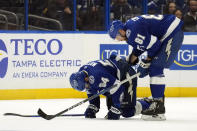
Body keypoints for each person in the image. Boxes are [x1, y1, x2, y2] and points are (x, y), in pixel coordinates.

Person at [108, 14, 184, 120]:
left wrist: (146, 61)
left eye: (117, 37)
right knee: (154, 67)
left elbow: (155, 45)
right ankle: (157, 100)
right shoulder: (130, 28)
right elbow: (144, 43)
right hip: (170, 29)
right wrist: (133, 57)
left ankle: (158, 107)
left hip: (172, 32)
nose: (118, 39)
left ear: (121, 31)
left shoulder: (132, 32)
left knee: (156, 67)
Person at [69, 55, 150, 120]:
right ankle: (130, 102)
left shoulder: (97, 75)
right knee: (111, 108)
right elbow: (91, 89)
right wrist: (93, 106)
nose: (87, 88)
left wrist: (117, 107)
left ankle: (150, 103)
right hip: (114, 78)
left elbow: (118, 88)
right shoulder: (83, 73)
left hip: (126, 76)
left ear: (86, 78)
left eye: (86, 85)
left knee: (126, 111)